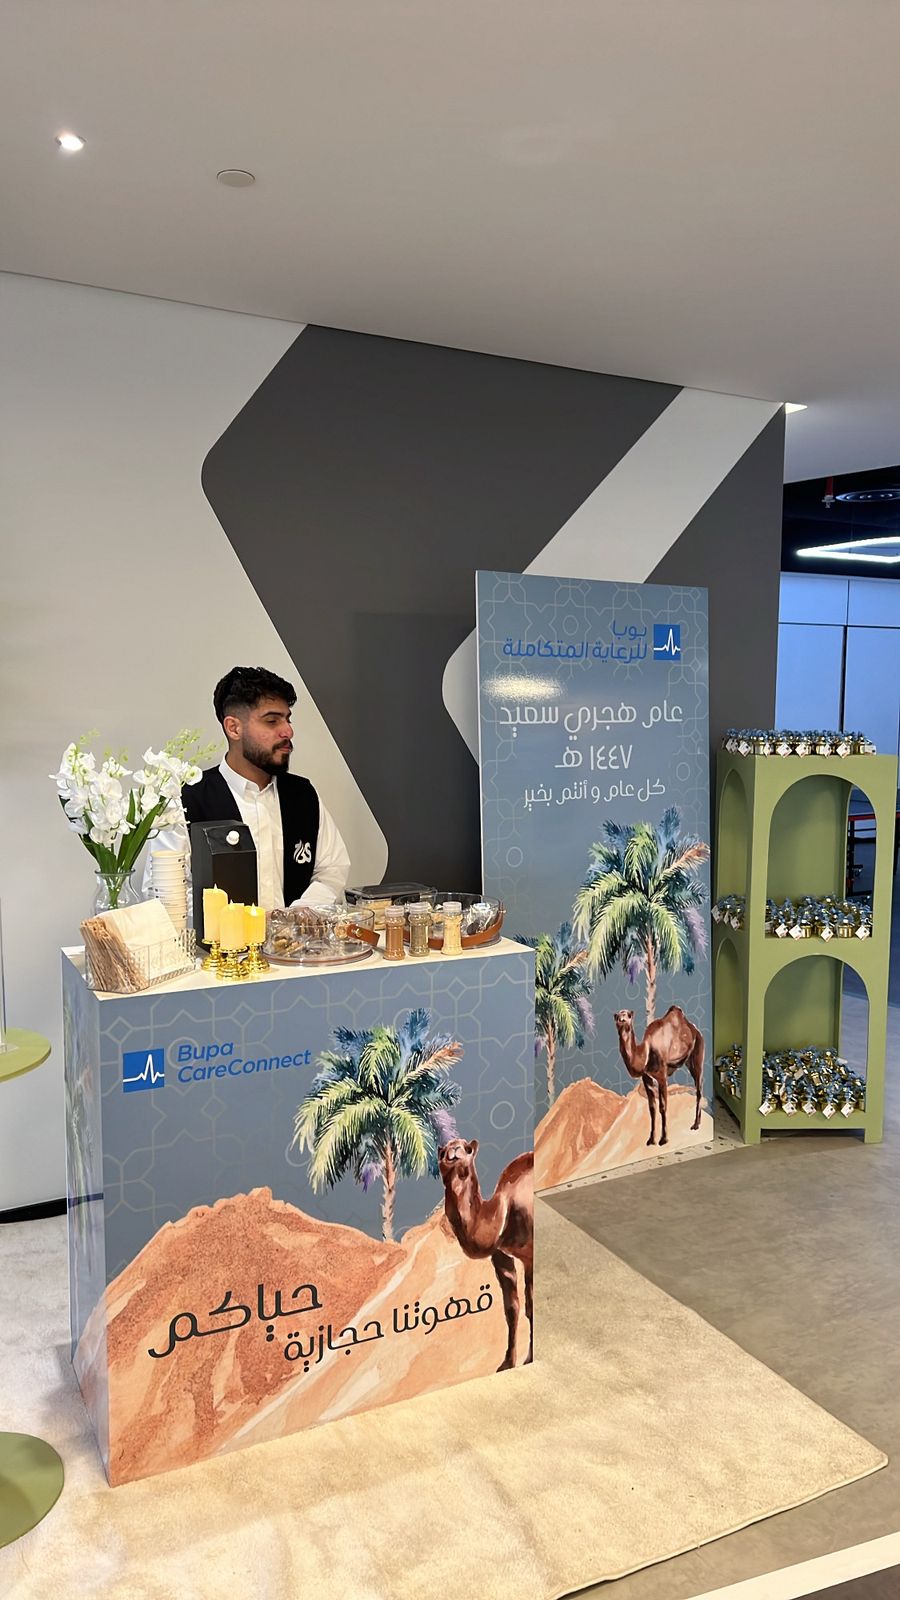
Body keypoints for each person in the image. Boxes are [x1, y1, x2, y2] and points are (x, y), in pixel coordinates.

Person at [146, 666, 350, 909]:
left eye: (287, 719)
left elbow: (332, 869)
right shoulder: (184, 801)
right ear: (233, 728)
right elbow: (165, 894)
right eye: (272, 721)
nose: (288, 731)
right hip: (218, 935)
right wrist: (233, 923)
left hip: (296, 935)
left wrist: (298, 915)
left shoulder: (303, 795)